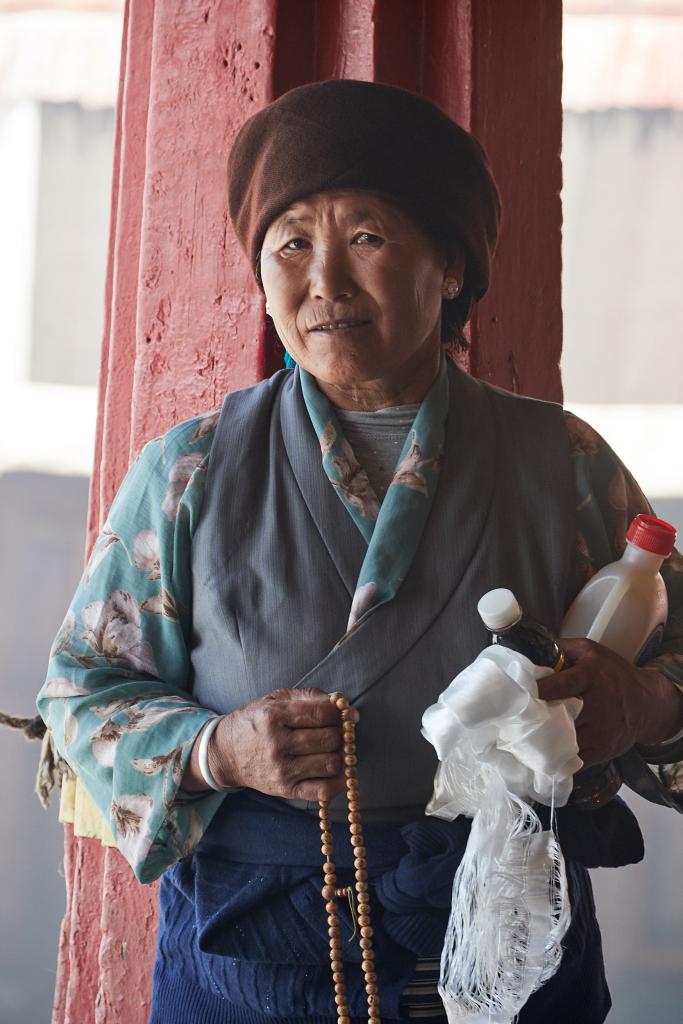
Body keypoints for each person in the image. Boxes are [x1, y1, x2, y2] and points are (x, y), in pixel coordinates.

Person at [37, 79, 683, 1024]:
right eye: (290, 242)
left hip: (500, 934)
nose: (325, 281)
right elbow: (79, 697)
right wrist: (216, 751)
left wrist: (642, 702)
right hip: (256, 946)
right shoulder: (189, 471)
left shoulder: (564, 461)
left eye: (367, 237)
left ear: (450, 267)